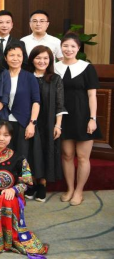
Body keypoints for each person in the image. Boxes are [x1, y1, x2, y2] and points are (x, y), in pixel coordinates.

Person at [0, 120, 48, 256]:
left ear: (11, 137)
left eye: (6, 135)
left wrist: (14, 189)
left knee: (8, 199)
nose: (1, 138)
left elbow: (27, 182)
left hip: (9, 203)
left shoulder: (18, 158)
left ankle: (8, 238)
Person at [55, 33, 102, 206]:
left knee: (82, 157)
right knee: (67, 155)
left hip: (83, 116)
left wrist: (92, 118)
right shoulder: (55, 67)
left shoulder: (86, 67)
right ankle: (70, 188)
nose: (69, 49)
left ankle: (79, 191)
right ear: (61, 47)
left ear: (78, 49)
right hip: (63, 117)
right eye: (65, 46)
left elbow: (92, 96)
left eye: (73, 46)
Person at [27, 46, 65, 202]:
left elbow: (60, 104)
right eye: (38, 58)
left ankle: (42, 184)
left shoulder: (55, 79)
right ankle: (32, 182)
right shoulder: (26, 76)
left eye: (45, 58)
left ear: (50, 60)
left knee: (45, 150)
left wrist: (58, 125)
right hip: (29, 120)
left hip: (48, 122)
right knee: (31, 151)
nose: (41, 61)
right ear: (32, 60)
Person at [3, 42, 40, 158]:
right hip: (3, 122)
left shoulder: (29, 77)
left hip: (23, 122)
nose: (15, 59)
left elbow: (36, 102)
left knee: (22, 157)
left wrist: (32, 123)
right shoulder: (1, 75)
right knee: (4, 156)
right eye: (11, 55)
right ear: (5, 58)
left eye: (19, 55)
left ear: (23, 58)